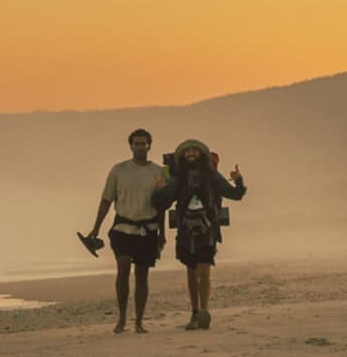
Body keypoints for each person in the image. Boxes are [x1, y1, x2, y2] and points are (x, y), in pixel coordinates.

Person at [152, 139, 246, 331]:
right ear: (183, 156)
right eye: (188, 151)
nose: (191, 153)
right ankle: (196, 311)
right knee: (191, 272)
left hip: (207, 230)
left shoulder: (211, 175)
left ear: (201, 154)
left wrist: (238, 180)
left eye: (194, 150)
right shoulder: (178, 177)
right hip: (186, 230)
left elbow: (235, 194)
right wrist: (159, 191)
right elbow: (162, 203)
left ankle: (203, 310)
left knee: (203, 271)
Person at [85, 128, 166, 334]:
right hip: (122, 228)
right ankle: (121, 319)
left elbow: (162, 206)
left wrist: (162, 235)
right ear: (130, 146)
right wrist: (96, 228)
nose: (140, 146)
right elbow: (106, 200)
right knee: (122, 270)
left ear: (149, 146)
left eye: (143, 143)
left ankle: (139, 321)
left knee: (142, 274)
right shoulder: (118, 170)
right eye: (136, 143)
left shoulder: (158, 172)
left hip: (148, 229)